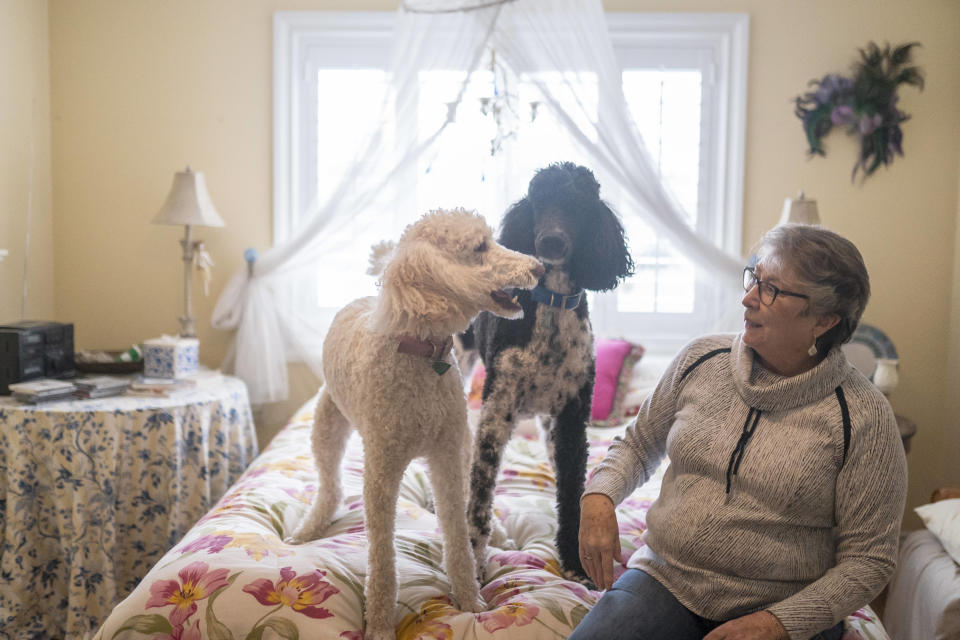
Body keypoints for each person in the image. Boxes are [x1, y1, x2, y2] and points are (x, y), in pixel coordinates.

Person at [570, 224, 907, 640]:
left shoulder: (863, 417)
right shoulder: (700, 359)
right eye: (754, 278)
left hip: (784, 607)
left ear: (824, 319)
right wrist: (599, 497)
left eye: (773, 290)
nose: (748, 298)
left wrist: (779, 623)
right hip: (666, 580)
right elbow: (637, 446)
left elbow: (869, 559)